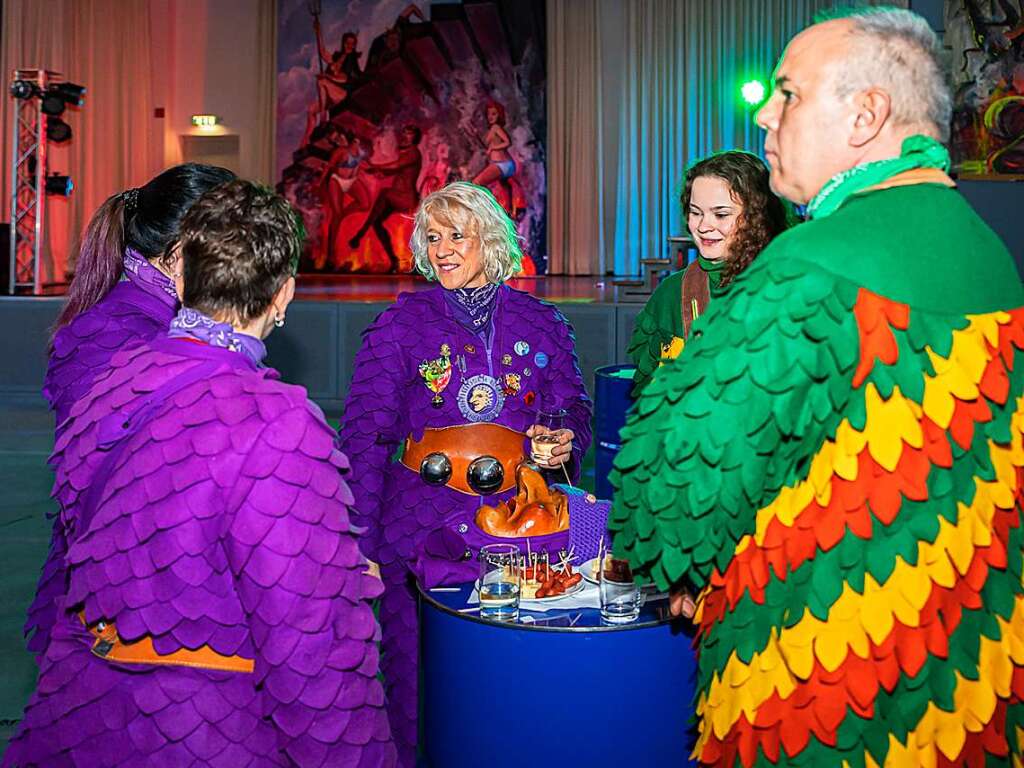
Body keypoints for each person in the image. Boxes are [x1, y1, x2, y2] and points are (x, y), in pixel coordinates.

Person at [610, 8, 1024, 766]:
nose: (765, 114)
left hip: (824, 677)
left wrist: (666, 563)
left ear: (867, 114)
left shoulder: (812, 262)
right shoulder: (988, 251)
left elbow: (674, 479)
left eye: (789, 93)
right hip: (960, 668)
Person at [4, 180, 396, 767]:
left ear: (182, 275)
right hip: (205, 724)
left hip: (87, 707)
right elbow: (307, 640)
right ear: (284, 293)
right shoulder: (279, 419)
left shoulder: (114, 381)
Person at [339, 181, 592, 765]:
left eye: (459, 235)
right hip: (416, 524)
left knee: (509, 669)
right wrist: (363, 540)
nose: (444, 248)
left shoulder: (543, 321)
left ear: (491, 240)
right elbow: (365, 439)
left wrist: (564, 441)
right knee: (413, 676)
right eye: (434, 237)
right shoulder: (397, 326)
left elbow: (574, 408)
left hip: (520, 526)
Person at [28, 163, 234, 661]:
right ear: (183, 252)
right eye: (237, 246)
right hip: (126, 589)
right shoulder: (111, 334)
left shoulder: (184, 321)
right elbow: (116, 479)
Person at [627, 151, 788, 394]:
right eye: (696, 212)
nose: (703, 226)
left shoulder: (788, 287)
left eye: (721, 214)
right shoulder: (673, 292)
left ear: (757, 217)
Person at [348, 124, 423, 271]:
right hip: (396, 195)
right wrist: (378, 171)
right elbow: (397, 171)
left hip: (405, 197)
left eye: (409, 134)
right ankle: (393, 261)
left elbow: (395, 166)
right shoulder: (406, 152)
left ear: (415, 138)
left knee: (384, 193)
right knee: (377, 223)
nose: (405, 136)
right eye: (405, 133)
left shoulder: (413, 153)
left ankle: (360, 234)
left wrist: (376, 167)